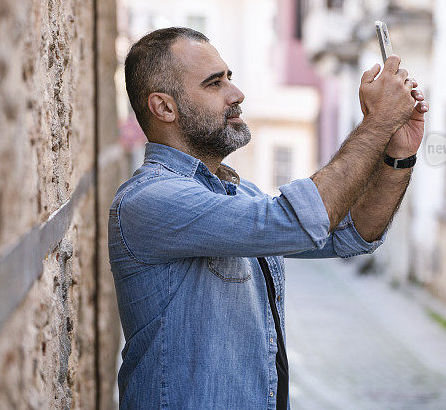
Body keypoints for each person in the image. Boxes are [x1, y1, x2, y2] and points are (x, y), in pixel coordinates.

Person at [108, 27, 428, 409]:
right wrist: (376, 123)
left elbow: (352, 233)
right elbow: (298, 220)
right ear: (164, 108)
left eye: (230, 78)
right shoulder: (152, 199)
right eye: (214, 84)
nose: (236, 94)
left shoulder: (239, 194)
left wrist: (398, 155)